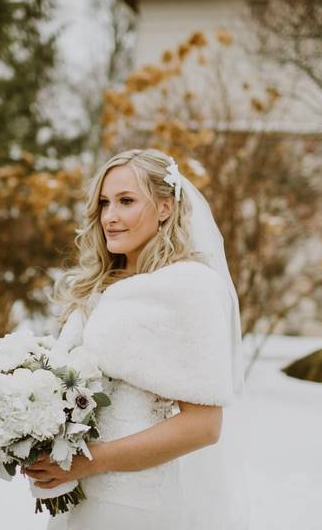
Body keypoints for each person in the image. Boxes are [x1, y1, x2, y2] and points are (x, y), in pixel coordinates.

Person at [22, 148, 249, 530]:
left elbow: (204, 426)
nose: (110, 216)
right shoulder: (96, 288)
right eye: (104, 203)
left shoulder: (189, 286)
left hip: (134, 502)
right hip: (76, 497)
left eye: (126, 201)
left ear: (164, 207)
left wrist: (92, 460)